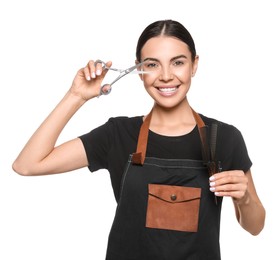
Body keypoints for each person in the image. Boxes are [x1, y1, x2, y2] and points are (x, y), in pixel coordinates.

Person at [12, 19, 265, 259]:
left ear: (194, 65)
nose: (166, 76)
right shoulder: (118, 134)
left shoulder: (223, 138)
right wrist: (76, 95)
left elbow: (255, 227)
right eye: (153, 64)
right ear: (139, 69)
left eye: (177, 62)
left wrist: (244, 198)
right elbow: (28, 164)